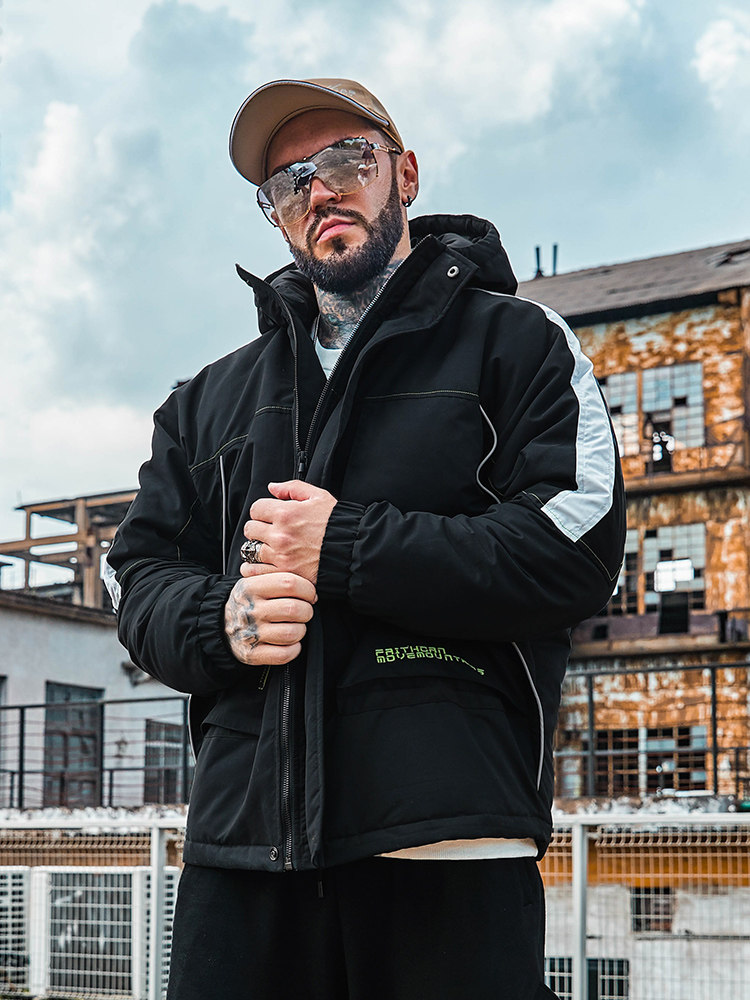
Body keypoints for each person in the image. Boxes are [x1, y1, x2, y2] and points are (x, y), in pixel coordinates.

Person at [107, 78, 625, 1000]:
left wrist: (343, 545)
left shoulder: (517, 344)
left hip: (447, 835)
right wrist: (220, 620)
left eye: (346, 160)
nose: (318, 191)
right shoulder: (205, 401)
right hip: (242, 848)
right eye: (286, 183)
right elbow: (134, 574)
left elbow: (573, 546)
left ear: (406, 174)